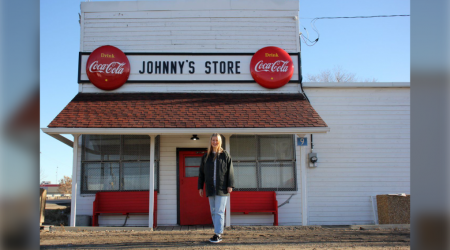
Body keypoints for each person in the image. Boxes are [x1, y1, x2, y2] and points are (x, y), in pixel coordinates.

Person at [198, 133, 234, 243]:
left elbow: (230, 171)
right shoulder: (206, 156)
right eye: (213, 140)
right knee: (213, 211)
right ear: (211, 141)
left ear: (220, 142)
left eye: (217, 140)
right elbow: (201, 173)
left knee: (219, 211)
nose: (215, 142)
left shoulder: (225, 155)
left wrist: (230, 185)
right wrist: (200, 187)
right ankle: (217, 231)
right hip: (210, 187)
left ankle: (218, 234)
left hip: (222, 188)